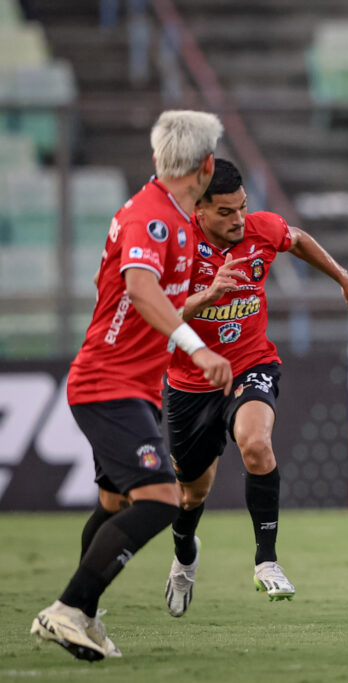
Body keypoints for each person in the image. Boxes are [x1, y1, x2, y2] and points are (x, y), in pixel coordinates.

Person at [30, 110, 232, 660]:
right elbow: (141, 290)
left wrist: (201, 305)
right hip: (106, 382)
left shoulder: (175, 218)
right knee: (162, 498)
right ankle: (69, 608)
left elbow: (157, 301)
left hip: (130, 384)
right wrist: (197, 346)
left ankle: (84, 617)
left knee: (117, 502)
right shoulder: (153, 219)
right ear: (207, 165)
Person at [162, 159, 348, 617]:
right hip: (190, 382)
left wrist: (343, 277)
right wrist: (206, 297)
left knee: (256, 444)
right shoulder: (177, 247)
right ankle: (184, 554)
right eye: (225, 212)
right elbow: (158, 315)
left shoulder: (261, 230)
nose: (238, 219)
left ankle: (267, 561)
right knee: (191, 495)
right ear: (197, 210)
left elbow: (295, 238)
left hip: (251, 363)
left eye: (242, 207)